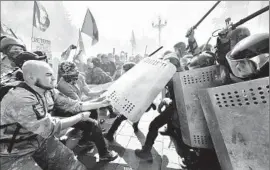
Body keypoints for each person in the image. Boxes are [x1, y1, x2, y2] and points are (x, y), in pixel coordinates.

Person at [0, 60, 118, 170]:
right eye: (48, 75)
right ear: (31, 78)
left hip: (39, 139)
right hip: (12, 151)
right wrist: (80, 117)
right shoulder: (20, 99)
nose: (53, 78)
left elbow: (75, 105)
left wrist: (101, 103)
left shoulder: (49, 90)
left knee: (74, 166)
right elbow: (49, 128)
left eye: (52, 74)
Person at [134, 53, 185, 169]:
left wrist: (164, 101)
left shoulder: (175, 77)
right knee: (175, 131)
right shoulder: (179, 73)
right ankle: (187, 155)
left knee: (154, 125)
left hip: (175, 107)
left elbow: (175, 98)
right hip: (177, 107)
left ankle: (146, 152)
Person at [104, 62, 157, 142]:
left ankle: (109, 135)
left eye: (124, 70)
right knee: (137, 114)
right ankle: (135, 126)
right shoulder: (140, 77)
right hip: (141, 105)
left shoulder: (132, 80)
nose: (122, 72)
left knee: (119, 118)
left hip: (136, 105)